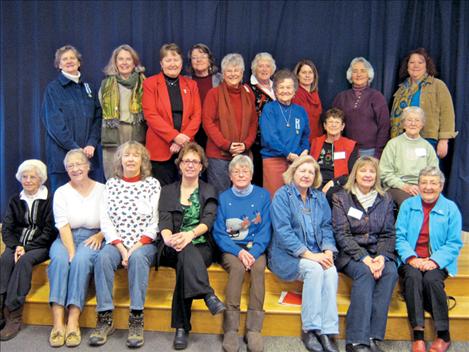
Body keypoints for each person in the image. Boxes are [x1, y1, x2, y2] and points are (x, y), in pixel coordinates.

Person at [89, 141, 160, 348]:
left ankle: (136, 318)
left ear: (142, 160)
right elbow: (106, 220)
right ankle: (105, 318)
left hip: (143, 244)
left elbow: (155, 221)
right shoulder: (112, 184)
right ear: (119, 159)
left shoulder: (152, 184)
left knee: (138, 259)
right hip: (116, 242)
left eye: (135, 155)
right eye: (126, 155)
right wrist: (121, 248)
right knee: (102, 257)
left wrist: (135, 247)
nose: (130, 159)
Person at [158, 142, 225, 350]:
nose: (190, 165)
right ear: (179, 165)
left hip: (200, 244)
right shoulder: (168, 190)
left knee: (185, 260)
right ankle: (207, 294)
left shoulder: (209, 190)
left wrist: (189, 234)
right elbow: (164, 221)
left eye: (195, 162)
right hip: (171, 244)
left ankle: (182, 327)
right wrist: (169, 238)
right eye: (186, 161)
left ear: (201, 166)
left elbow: (208, 219)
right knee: (183, 253)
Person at [269, 155, 339, 352]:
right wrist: (311, 255)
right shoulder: (282, 196)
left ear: (315, 176)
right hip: (287, 256)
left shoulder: (319, 197)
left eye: (311, 172)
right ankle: (310, 329)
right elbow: (283, 232)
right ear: (293, 173)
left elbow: (326, 226)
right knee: (315, 271)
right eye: (302, 170)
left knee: (331, 271)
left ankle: (327, 331)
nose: (306, 175)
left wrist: (327, 251)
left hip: (317, 253)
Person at [332, 156, 398, 352]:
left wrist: (382, 256)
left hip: (377, 251)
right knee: (364, 272)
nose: (367, 175)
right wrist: (364, 257)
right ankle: (355, 340)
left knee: (390, 271)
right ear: (355, 174)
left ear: (376, 175)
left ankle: (372, 336)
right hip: (350, 253)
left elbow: (388, 233)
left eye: (372, 171)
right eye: (363, 171)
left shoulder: (385, 198)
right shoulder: (341, 197)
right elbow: (341, 234)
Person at [396, 166, 462, 352]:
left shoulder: (451, 209)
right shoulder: (408, 206)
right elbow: (399, 237)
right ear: (418, 185)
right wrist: (411, 258)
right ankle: (418, 336)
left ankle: (443, 335)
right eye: (424, 182)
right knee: (413, 277)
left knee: (432, 280)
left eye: (433, 183)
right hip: (411, 259)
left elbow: (454, 243)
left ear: (441, 186)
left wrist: (434, 261)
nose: (428, 187)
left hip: (438, 260)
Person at [213, 155, 271, 352]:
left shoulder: (263, 196)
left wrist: (253, 252)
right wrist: (238, 252)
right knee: (237, 269)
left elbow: (265, 229)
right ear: (230, 175)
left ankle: (254, 329)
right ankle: (230, 329)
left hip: (255, 248)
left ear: (252, 174)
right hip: (232, 249)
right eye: (236, 171)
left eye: (245, 171)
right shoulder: (223, 197)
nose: (240, 174)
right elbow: (219, 232)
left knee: (259, 268)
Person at [47, 149, 105, 347]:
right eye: (70, 166)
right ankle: (57, 324)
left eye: (79, 163)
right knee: (61, 261)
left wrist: (100, 234)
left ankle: (73, 320)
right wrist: (71, 251)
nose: (75, 168)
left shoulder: (103, 189)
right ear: (66, 170)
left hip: (94, 236)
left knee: (81, 261)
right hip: (66, 237)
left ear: (88, 166)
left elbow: (112, 220)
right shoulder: (61, 192)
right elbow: (62, 225)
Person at [0, 160, 56, 341]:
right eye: (25, 176)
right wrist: (16, 246)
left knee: (24, 262)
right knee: (5, 260)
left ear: (41, 179)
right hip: (17, 245)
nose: (28, 180)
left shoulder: (49, 200)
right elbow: (7, 228)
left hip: (39, 246)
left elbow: (49, 231)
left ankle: (14, 314)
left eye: (32, 177)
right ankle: (2, 309)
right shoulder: (15, 200)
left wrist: (27, 248)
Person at [42, 45, 102, 192]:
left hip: (88, 157)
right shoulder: (53, 89)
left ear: (79, 62)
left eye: (72, 58)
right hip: (62, 160)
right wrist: (75, 149)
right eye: (64, 59)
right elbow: (54, 124)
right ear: (59, 64)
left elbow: (98, 118)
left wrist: (92, 144)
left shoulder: (89, 88)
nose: (69, 61)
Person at [142, 43, 201, 186]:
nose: (172, 64)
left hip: (186, 148)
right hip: (160, 148)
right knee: (163, 193)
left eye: (176, 60)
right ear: (161, 63)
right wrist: (175, 137)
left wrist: (183, 139)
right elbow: (151, 115)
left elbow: (197, 115)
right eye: (168, 60)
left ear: (181, 62)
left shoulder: (191, 84)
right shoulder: (150, 83)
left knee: (187, 191)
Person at [203, 53, 258, 194]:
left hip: (242, 154)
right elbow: (208, 123)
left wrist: (245, 144)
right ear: (223, 73)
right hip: (218, 156)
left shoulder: (248, 93)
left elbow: (253, 122)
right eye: (229, 70)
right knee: (219, 196)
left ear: (242, 72)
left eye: (236, 70)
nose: (233, 74)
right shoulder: (213, 94)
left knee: (242, 195)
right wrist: (227, 145)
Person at [391, 48, 456, 159]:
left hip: (427, 140)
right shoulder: (401, 89)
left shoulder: (437, 85)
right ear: (407, 66)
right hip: (403, 140)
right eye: (412, 62)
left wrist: (444, 140)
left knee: (427, 173)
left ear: (427, 65)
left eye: (420, 62)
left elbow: (447, 114)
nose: (415, 65)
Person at [260, 69, 310, 198]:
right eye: (281, 87)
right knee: (275, 198)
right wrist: (287, 153)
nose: (285, 91)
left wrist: (304, 149)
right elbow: (270, 137)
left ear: (294, 91)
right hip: (274, 161)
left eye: (289, 87)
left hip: (296, 162)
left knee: (295, 199)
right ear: (275, 90)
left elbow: (305, 135)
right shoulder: (269, 109)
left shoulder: (300, 111)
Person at [99, 44, 146, 179]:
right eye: (121, 59)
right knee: (113, 172)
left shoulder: (145, 83)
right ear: (115, 62)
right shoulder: (106, 85)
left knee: (137, 170)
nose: (124, 63)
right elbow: (102, 109)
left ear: (134, 62)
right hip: (114, 131)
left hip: (137, 130)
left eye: (128, 59)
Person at [380, 106, 438, 206]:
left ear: (422, 124)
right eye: (409, 120)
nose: (413, 123)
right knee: (410, 203)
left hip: (422, 187)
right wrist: (404, 186)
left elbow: (434, 173)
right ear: (403, 124)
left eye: (417, 120)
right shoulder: (393, 144)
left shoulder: (427, 147)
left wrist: (424, 187)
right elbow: (384, 173)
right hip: (398, 187)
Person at [333, 57, 389, 158]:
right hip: (346, 149)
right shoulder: (341, 97)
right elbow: (333, 123)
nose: (358, 74)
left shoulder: (376, 96)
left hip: (370, 151)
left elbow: (384, 126)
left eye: (363, 71)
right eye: (355, 71)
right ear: (350, 75)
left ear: (369, 75)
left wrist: (378, 152)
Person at [311, 108, 358, 204]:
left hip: (338, 183)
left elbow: (352, 173)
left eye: (337, 122)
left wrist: (334, 182)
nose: (333, 125)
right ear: (324, 125)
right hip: (316, 179)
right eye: (330, 122)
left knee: (330, 194)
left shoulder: (350, 145)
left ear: (342, 126)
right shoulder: (316, 142)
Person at [249, 52, 277, 186]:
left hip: (277, 142)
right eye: (261, 66)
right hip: (257, 142)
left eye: (268, 66)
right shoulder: (248, 88)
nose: (264, 69)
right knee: (258, 178)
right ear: (254, 69)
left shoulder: (278, 87)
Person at [292, 59, 323, 141]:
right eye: (304, 72)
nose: (307, 75)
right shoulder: (294, 95)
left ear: (314, 75)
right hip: (300, 141)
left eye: (310, 72)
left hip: (316, 140)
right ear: (297, 75)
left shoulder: (315, 93)